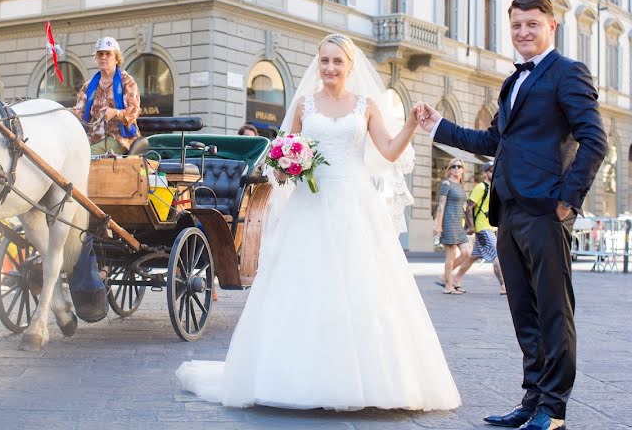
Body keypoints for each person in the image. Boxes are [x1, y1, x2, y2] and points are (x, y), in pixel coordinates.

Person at [176, 34, 460, 411]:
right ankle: (293, 376)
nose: (329, 68)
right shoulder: (304, 106)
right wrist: (286, 164)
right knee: (305, 283)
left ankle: (367, 380)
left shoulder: (367, 106)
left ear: (350, 66)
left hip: (355, 203)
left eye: (337, 62)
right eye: (324, 60)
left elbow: (389, 151)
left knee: (362, 285)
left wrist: (409, 124)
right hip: (311, 203)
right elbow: (282, 153)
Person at [416, 0, 607, 430]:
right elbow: (491, 143)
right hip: (510, 210)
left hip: (546, 212)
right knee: (524, 310)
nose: (523, 32)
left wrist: (567, 201)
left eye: (532, 25)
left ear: (551, 26)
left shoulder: (568, 73)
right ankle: (532, 398)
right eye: (517, 25)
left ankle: (553, 409)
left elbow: (595, 141)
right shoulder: (513, 81)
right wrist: (436, 127)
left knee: (553, 310)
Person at [70, 36, 141, 323]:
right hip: (94, 139)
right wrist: (66, 115)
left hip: (122, 141)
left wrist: (117, 113)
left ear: (116, 57)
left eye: (107, 54)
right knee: (81, 160)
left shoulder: (127, 82)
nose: (102, 59)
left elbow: (134, 111)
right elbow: (79, 110)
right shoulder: (89, 85)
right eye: (99, 54)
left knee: (95, 162)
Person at [452, 162, 506, 295]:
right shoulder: (481, 187)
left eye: (495, 170)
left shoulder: (494, 187)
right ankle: (504, 286)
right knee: (498, 257)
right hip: (483, 229)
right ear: (484, 173)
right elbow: (468, 206)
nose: (493, 173)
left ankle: (455, 279)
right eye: (490, 170)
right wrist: (471, 226)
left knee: (473, 257)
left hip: (491, 228)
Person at [433, 158, 470, 295]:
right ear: (449, 169)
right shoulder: (446, 183)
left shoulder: (460, 185)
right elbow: (441, 205)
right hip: (448, 221)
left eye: (459, 166)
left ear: (463, 169)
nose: (456, 169)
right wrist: (438, 225)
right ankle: (448, 286)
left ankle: (445, 276)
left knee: (466, 252)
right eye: (453, 166)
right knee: (451, 254)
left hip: (458, 224)